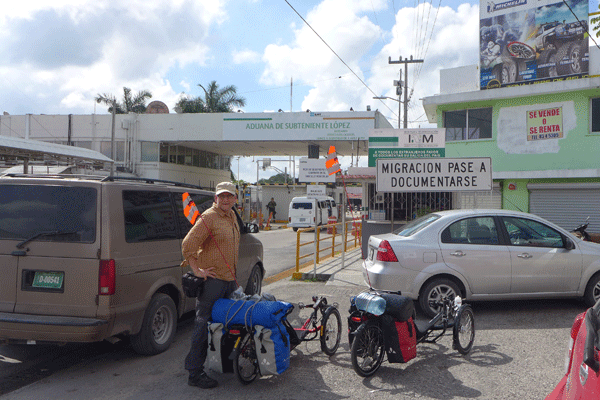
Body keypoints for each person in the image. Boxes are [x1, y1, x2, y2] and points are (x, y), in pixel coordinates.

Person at [182, 181, 240, 389]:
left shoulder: (231, 215)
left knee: (227, 324)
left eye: (229, 196)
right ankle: (195, 372)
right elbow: (188, 244)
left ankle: (222, 363)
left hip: (229, 280)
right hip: (213, 283)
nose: (225, 199)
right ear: (216, 198)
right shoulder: (209, 217)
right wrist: (197, 270)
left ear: (235, 198)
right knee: (203, 325)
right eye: (221, 196)